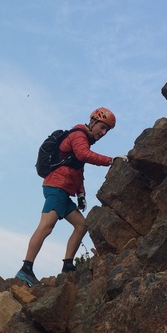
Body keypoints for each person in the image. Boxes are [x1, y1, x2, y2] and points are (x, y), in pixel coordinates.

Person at [15, 107, 123, 286]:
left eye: (107, 130)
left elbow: (77, 170)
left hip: (63, 191)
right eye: (102, 127)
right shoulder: (78, 135)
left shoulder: (84, 139)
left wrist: (81, 194)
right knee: (46, 227)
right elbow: (83, 155)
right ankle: (26, 268)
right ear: (93, 121)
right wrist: (111, 161)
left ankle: (67, 265)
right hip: (56, 187)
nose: (103, 133)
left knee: (81, 225)